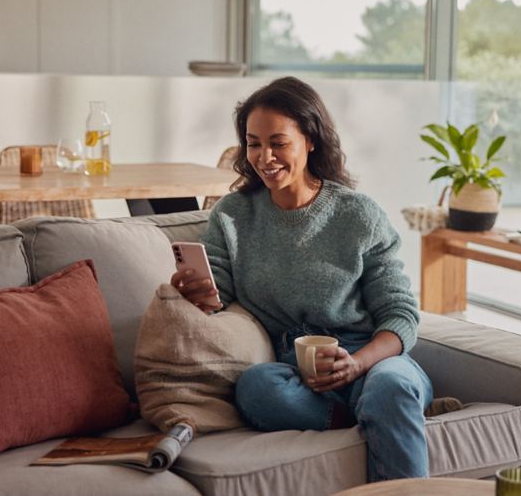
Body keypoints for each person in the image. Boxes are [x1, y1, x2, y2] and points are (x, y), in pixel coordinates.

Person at [170, 76, 435, 481]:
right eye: (253, 143)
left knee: (390, 388)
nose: (264, 156)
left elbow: (400, 315)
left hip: (371, 360)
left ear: (310, 140)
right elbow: (217, 296)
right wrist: (195, 294)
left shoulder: (358, 214)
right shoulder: (233, 215)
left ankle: (386, 414)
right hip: (294, 371)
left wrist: (358, 363)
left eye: (278, 143)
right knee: (257, 388)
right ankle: (364, 417)